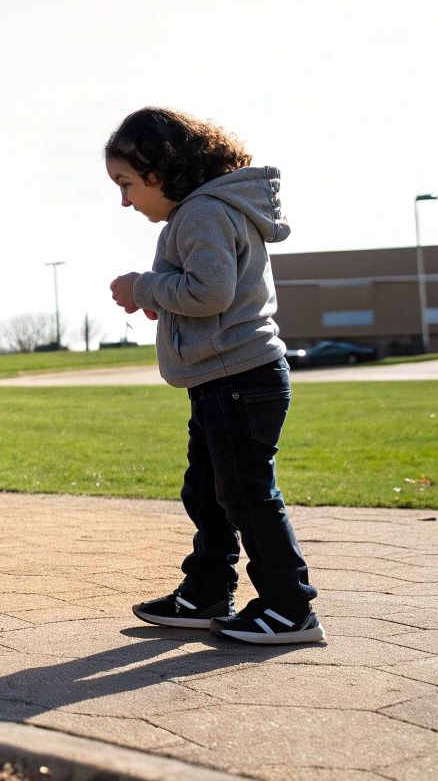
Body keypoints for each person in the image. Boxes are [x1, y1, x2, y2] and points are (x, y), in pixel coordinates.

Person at [104, 107, 325, 645]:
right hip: (224, 380)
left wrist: (145, 288)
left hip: (239, 379)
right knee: (207, 492)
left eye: (127, 183)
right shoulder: (205, 211)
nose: (125, 200)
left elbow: (210, 292)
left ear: (160, 171)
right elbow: (208, 293)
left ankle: (289, 606)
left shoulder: (202, 212)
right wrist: (168, 300)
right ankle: (205, 592)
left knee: (246, 494)